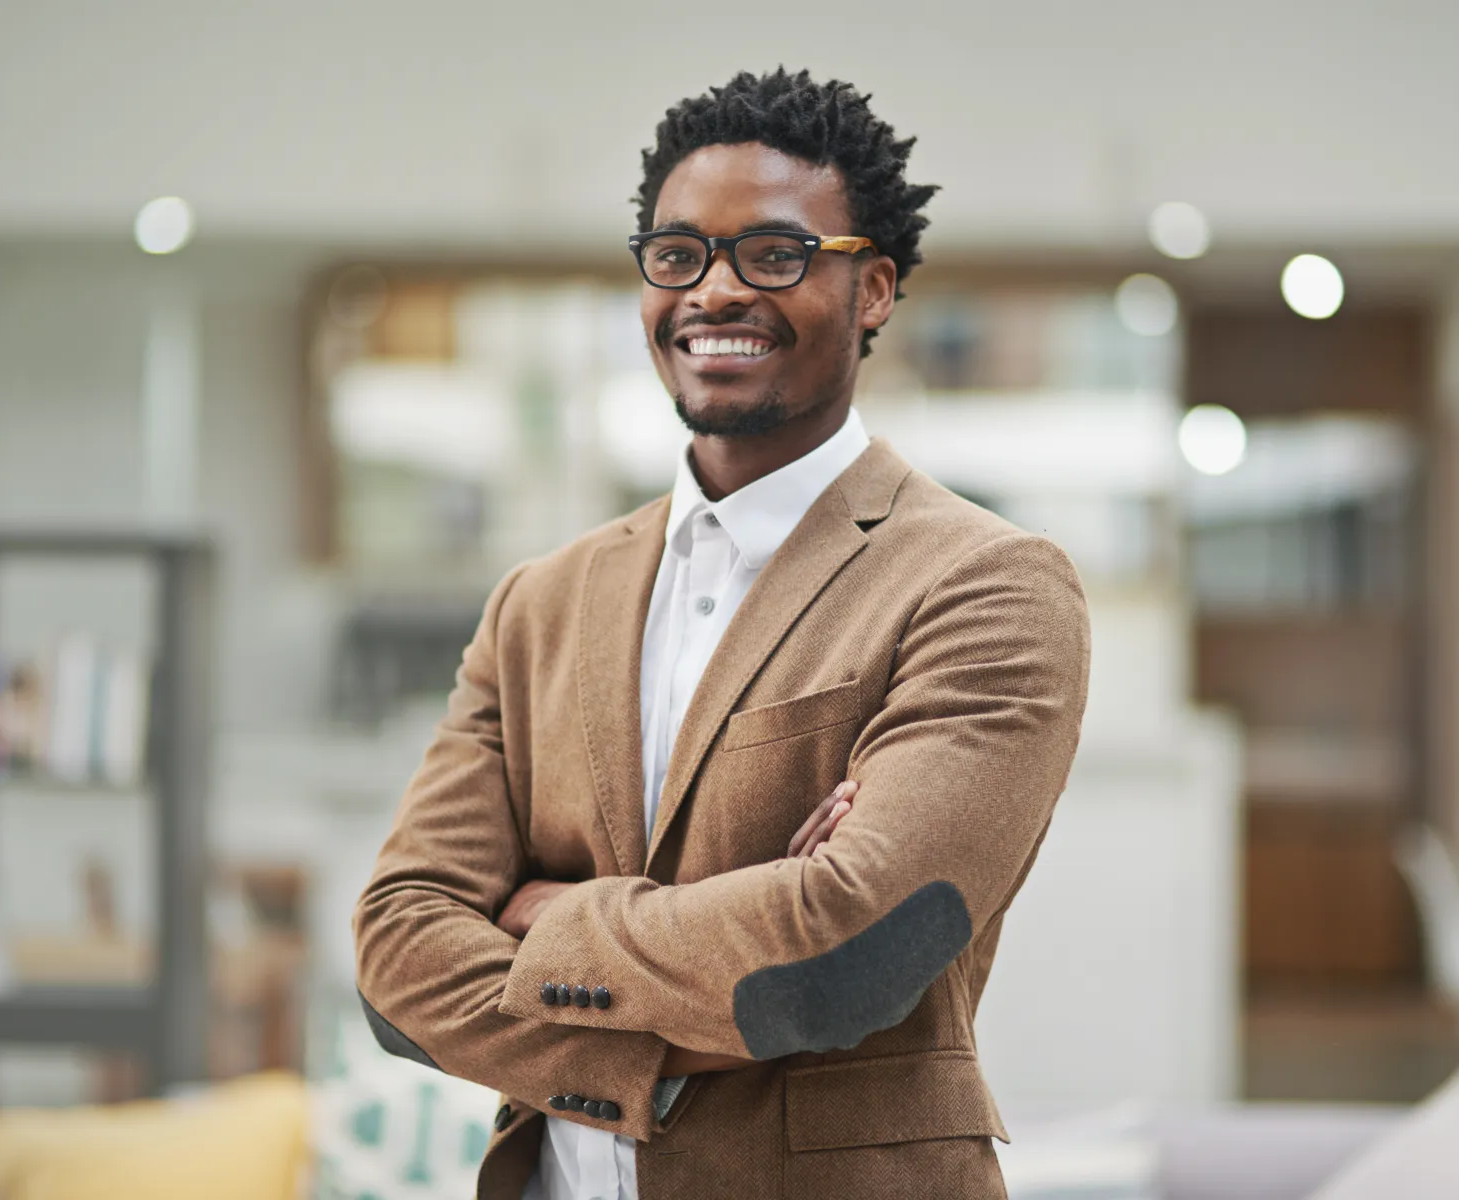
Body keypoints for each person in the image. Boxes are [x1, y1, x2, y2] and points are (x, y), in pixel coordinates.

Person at [354, 67, 1090, 1200]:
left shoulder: (986, 584)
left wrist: (542, 918)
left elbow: (842, 954)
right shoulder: (539, 603)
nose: (715, 291)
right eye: (678, 254)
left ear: (876, 289)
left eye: (775, 255)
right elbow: (398, 947)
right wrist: (676, 1015)